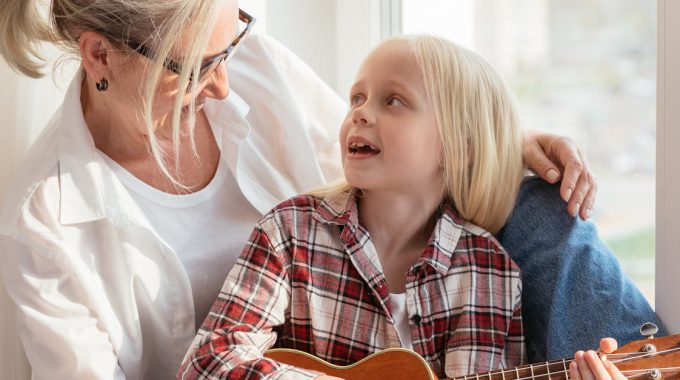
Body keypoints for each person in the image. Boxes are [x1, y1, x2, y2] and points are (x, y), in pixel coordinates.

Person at [0, 0, 662, 378]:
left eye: (232, 48)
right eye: (201, 67)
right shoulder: (42, 222)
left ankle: (642, 357)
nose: (226, 85)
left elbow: (381, 144)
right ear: (99, 57)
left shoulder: (479, 269)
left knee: (542, 203)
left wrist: (497, 143)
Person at [177, 35, 626, 380]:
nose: (361, 113)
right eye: (357, 97)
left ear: (459, 148)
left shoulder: (487, 270)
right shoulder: (290, 231)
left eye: (393, 100)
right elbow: (207, 361)